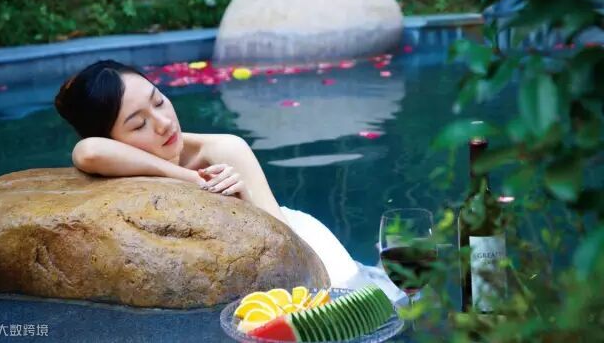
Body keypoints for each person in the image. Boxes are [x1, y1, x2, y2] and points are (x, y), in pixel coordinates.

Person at [55, 60, 403, 300]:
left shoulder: (223, 150)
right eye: (138, 124)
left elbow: (296, 250)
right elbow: (87, 151)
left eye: (158, 101)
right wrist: (188, 177)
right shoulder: (115, 155)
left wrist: (244, 200)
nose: (163, 123)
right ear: (113, 139)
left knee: (362, 299)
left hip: (306, 242)